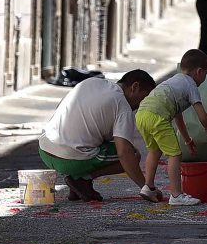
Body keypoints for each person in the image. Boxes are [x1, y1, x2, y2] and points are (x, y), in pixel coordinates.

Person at [38, 70, 155, 202]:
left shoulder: (92, 82)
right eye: (144, 98)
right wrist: (146, 188)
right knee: (133, 154)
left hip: (45, 150)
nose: (140, 105)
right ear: (135, 87)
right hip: (68, 159)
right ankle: (83, 179)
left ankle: (76, 186)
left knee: (95, 140)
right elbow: (124, 153)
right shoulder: (122, 105)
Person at [135, 50, 207, 206]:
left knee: (154, 150)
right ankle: (176, 195)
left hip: (142, 114)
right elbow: (202, 115)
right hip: (157, 116)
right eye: (206, 74)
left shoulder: (175, 81)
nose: (204, 79)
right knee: (174, 154)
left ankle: (148, 187)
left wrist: (187, 140)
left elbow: (178, 117)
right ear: (199, 71)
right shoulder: (191, 85)